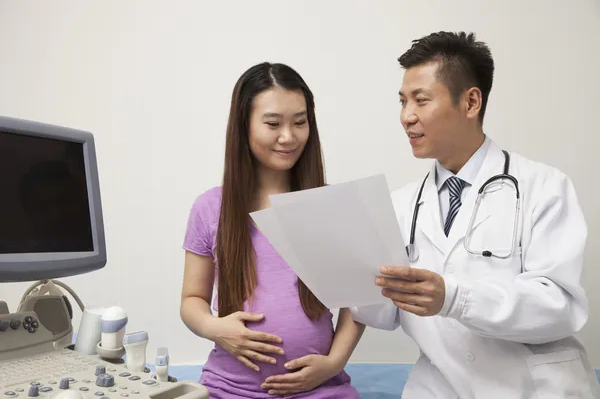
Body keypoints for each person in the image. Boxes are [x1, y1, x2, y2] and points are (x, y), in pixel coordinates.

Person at [350, 31, 600, 398]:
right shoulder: (399, 206)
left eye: (421, 100)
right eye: (402, 101)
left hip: (534, 389)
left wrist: (455, 298)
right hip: (439, 387)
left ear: (470, 102)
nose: (406, 116)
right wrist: (344, 271)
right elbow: (384, 315)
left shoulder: (543, 187)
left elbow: (560, 308)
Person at [180, 62, 364, 398]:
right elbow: (192, 300)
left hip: (321, 389)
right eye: (273, 124)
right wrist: (214, 327)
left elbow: (359, 300)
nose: (288, 137)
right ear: (244, 126)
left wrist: (334, 363)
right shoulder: (209, 208)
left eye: (300, 122)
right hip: (229, 388)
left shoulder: (330, 204)